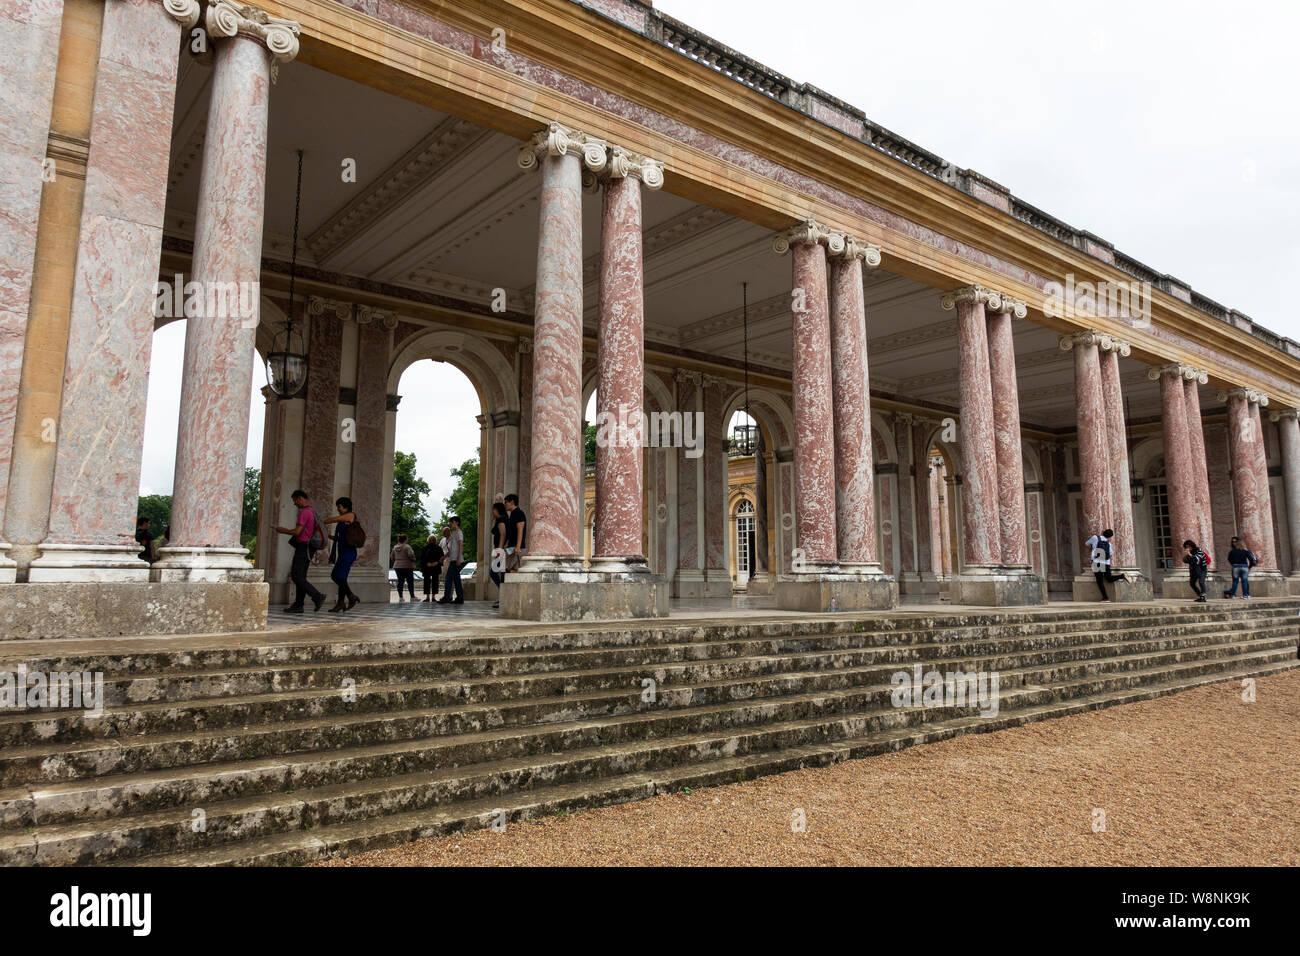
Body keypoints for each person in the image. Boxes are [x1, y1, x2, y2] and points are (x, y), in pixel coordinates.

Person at [274, 490, 326, 614]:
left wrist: (283, 530)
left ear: (300, 499)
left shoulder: (304, 512)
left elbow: (297, 532)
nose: (294, 504)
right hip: (309, 547)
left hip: (304, 546)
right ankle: (298, 604)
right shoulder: (312, 511)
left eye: (295, 501)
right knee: (301, 576)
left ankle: (317, 596)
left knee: (296, 575)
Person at [321, 497, 360, 612]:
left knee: (337, 576)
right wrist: (329, 536)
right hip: (343, 552)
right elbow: (340, 538)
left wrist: (320, 522)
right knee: (340, 578)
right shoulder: (344, 519)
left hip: (348, 552)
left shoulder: (351, 515)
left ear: (345, 506)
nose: (337, 508)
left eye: (339, 506)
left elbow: (334, 519)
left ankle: (351, 597)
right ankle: (341, 603)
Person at [1084, 528, 1127, 602]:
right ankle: (1121, 576)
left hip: (1097, 562)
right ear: (1110, 537)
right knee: (1109, 578)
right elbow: (1110, 554)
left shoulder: (1095, 538)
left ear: (1103, 532)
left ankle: (1105, 597)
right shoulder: (1108, 543)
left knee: (1100, 581)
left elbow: (1086, 543)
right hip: (1106, 562)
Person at [439, 515, 465, 605]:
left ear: (456, 522)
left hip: (456, 560)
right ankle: (460, 597)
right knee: (456, 580)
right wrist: (445, 556)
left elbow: (461, 545)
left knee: (448, 578)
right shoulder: (454, 533)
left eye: (452, 522)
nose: (451, 524)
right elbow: (452, 547)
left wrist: (458, 559)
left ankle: (447, 597)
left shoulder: (459, 533)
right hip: (453, 559)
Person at [488, 501, 508, 609]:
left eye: (493, 509)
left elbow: (503, 534)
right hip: (501, 550)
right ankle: (502, 596)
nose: (492, 512)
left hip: (500, 551)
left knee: (493, 572)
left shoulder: (501, 520)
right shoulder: (501, 519)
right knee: (502, 573)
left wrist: (499, 550)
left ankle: (503, 595)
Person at [504, 493, 527, 573]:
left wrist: (518, 546)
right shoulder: (513, 514)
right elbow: (512, 532)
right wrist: (507, 543)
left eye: (506, 502)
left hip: (515, 548)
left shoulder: (518, 513)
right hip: (512, 547)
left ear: (512, 502)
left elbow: (520, 530)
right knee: (508, 569)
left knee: (506, 569)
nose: (505, 504)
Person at [391, 533, 417, 602]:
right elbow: (411, 555)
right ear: (405, 539)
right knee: (410, 581)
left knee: (400, 581)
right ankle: (412, 597)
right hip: (407, 566)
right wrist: (413, 559)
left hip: (397, 566)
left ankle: (401, 597)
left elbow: (392, 557)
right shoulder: (407, 547)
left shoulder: (394, 547)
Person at [420, 533, 443, 602]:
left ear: (428, 540)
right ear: (435, 540)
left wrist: (427, 564)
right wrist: (436, 563)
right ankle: (433, 597)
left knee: (426, 582)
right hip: (436, 567)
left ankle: (427, 597)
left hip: (427, 567)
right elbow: (441, 558)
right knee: (435, 582)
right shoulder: (439, 548)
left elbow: (422, 559)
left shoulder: (425, 548)